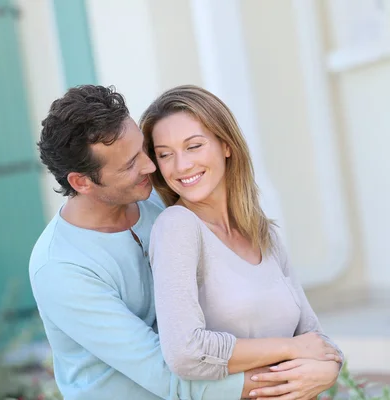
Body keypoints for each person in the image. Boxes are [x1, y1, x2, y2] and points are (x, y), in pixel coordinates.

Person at [29, 84, 339, 400]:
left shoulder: (160, 204)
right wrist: (295, 369)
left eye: (145, 151)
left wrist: (326, 365)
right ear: (82, 182)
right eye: (130, 164)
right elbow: (169, 374)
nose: (151, 167)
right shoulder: (61, 268)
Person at [139, 85, 344, 400]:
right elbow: (185, 352)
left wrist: (331, 367)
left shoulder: (263, 233)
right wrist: (290, 349)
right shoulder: (177, 227)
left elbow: (313, 336)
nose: (181, 166)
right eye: (165, 154)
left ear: (226, 145)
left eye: (193, 146)